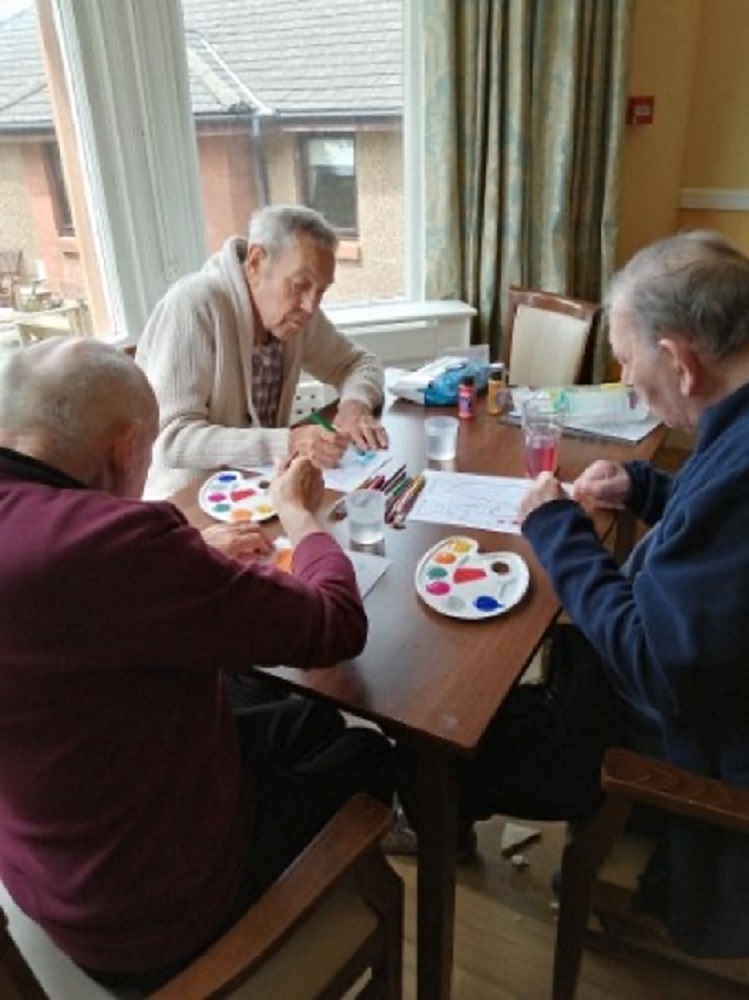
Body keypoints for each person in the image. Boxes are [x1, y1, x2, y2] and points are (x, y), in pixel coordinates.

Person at [0, 337, 394, 993]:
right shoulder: (112, 546)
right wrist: (301, 515)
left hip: (49, 873)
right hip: (157, 921)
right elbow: (336, 625)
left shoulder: (59, 534)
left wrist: (192, 553)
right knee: (370, 756)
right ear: (128, 447)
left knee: (306, 719)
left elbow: (70, 605)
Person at [402, 230, 749, 956]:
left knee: (439, 736)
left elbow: (652, 665)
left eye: (626, 359)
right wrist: (646, 485)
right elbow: (712, 526)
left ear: (681, 363)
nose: (626, 379)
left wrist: (557, 529)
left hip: (665, 741)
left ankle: (439, 818)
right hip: (692, 695)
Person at [136, 203, 389, 499]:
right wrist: (287, 442)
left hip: (260, 493)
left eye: (321, 291)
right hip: (187, 506)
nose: (310, 306)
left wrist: (354, 406)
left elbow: (360, 363)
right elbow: (171, 440)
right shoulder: (194, 304)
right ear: (255, 262)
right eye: (300, 285)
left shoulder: (297, 315)